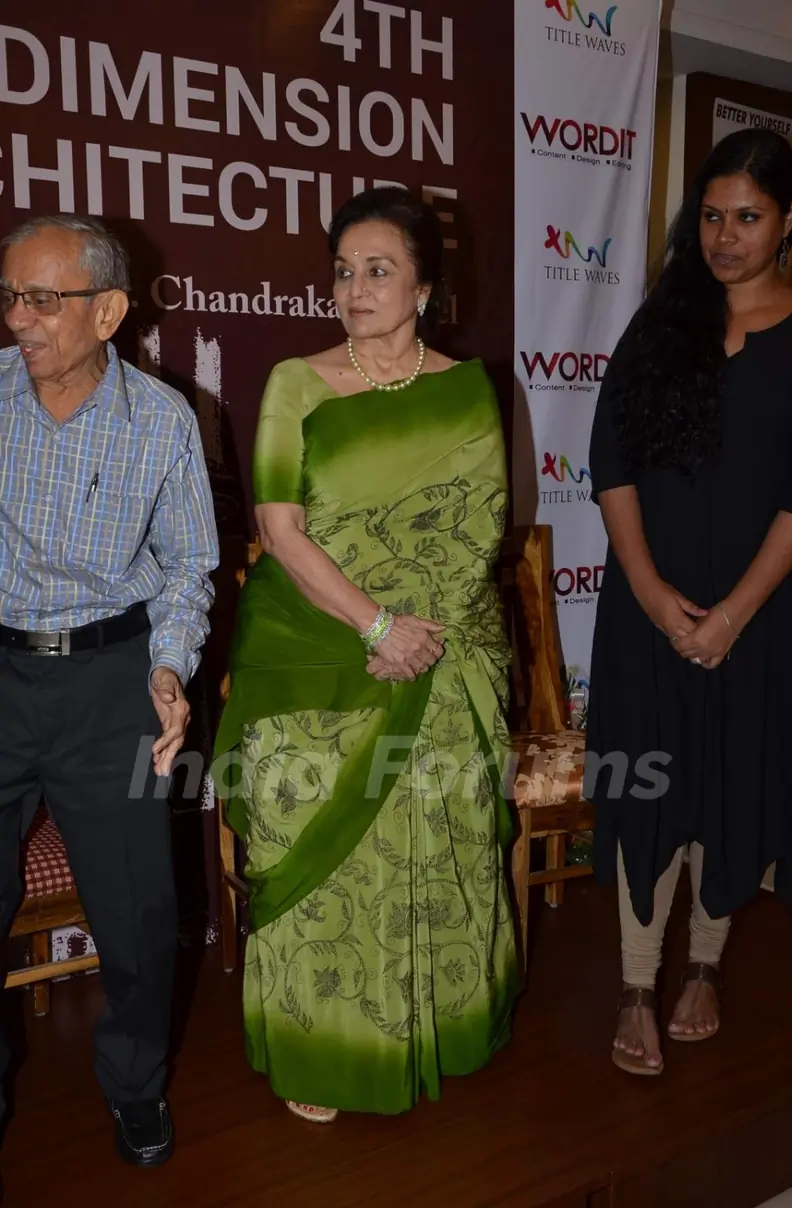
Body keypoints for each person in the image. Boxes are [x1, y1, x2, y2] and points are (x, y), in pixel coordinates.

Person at [214, 187, 518, 1121]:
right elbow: (279, 525)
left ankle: (434, 1019)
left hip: (441, 643)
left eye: (378, 270)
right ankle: (328, 1046)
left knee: (440, 825)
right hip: (314, 647)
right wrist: (378, 627)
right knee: (312, 821)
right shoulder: (295, 385)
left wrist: (419, 634)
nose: (354, 288)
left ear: (426, 286)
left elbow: (481, 526)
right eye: (343, 271)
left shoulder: (466, 392)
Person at [0, 215, 218, 1161]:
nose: (20, 319)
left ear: (110, 312)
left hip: (113, 681)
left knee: (139, 916)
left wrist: (168, 668)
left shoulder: (162, 419)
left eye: (43, 299)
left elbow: (188, 571)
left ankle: (135, 1086)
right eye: (10, 296)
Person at [587, 129, 792, 1076]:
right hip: (647, 614)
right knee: (650, 784)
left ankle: (702, 970)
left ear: (789, 222)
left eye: (747, 217)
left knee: (729, 780)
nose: (725, 236)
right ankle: (636, 984)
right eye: (711, 216)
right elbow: (612, 463)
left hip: (761, 619)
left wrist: (732, 616)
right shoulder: (660, 324)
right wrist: (646, 590)